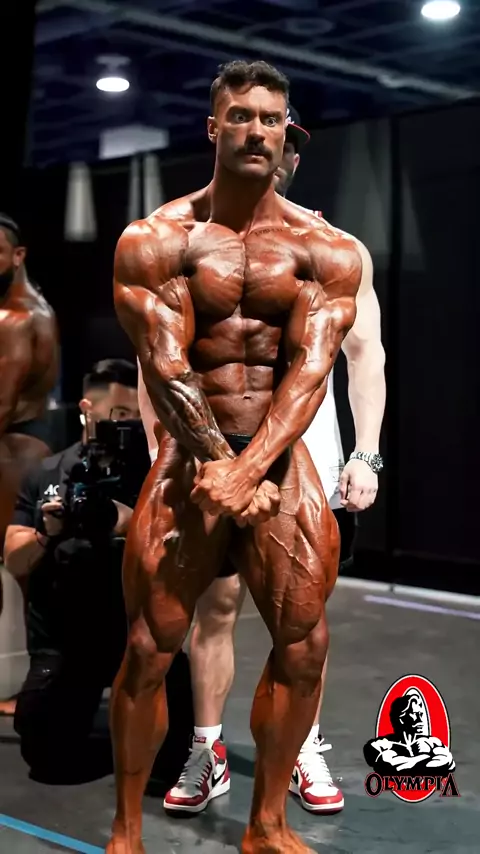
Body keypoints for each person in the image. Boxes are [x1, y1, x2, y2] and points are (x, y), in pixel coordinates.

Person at [108, 59, 365, 854]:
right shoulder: (157, 240)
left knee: (305, 646)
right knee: (148, 648)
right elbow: (165, 366)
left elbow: (312, 371)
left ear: (288, 132)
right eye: (243, 116)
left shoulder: (326, 249)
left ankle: (266, 824)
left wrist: (251, 471)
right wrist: (220, 466)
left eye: (272, 118)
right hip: (189, 457)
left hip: (278, 460)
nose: (259, 131)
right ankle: (126, 831)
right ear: (214, 127)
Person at [0, 213, 59, 715]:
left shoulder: (13, 317)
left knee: (27, 579)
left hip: (11, 455)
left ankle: (36, 691)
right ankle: (40, 689)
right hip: (32, 448)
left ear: (17, 255)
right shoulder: (39, 306)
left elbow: (0, 403)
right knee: (32, 578)